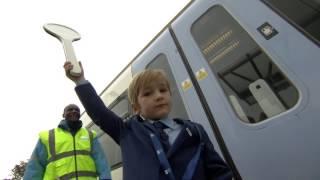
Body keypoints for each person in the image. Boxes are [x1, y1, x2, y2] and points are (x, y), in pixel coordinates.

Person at [64, 61, 233, 180]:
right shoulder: (127, 131)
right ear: (136, 106)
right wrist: (80, 80)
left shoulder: (195, 130)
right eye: (148, 93)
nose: (158, 96)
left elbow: (219, 172)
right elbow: (98, 111)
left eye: (163, 90)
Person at [23, 104, 112, 180]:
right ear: (63, 114)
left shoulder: (90, 135)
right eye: (70, 110)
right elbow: (35, 166)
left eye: (77, 110)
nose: (74, 111)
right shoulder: (48, 136)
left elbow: (101, 162)